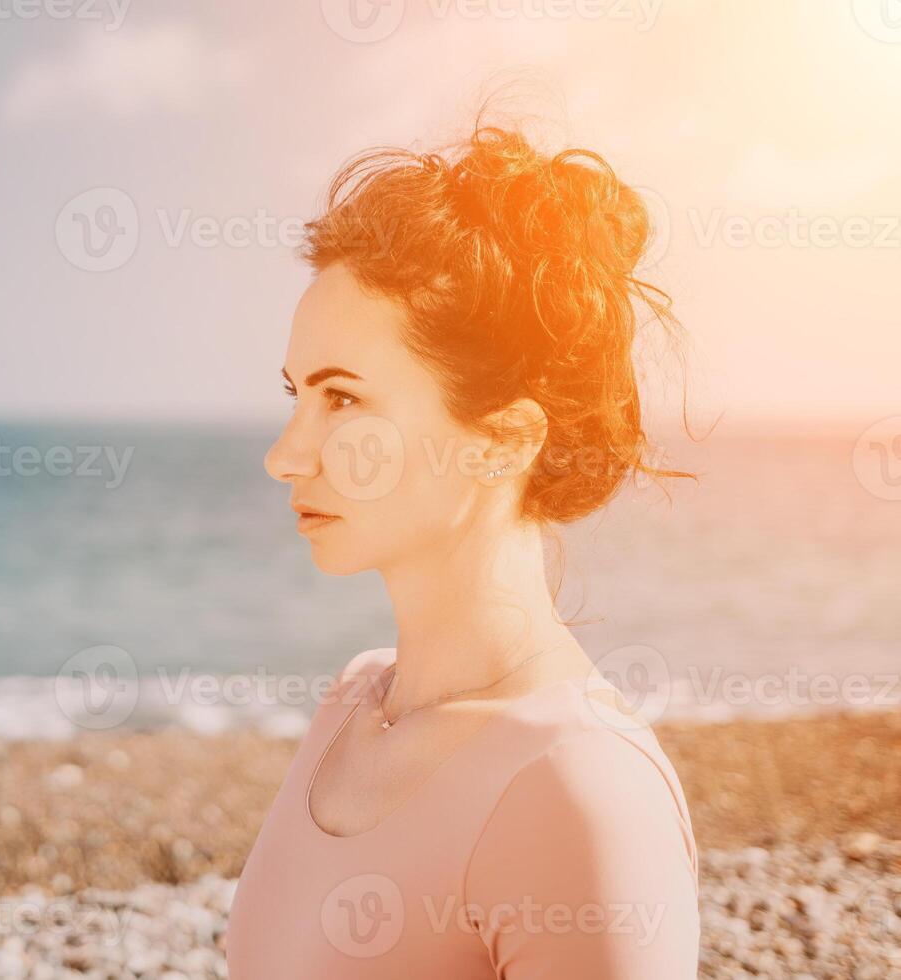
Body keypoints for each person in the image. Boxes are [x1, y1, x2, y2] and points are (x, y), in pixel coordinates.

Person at [225, 110, 701, 978]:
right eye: (296, 394)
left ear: (505, 439)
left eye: (343, 400)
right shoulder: (352, 703)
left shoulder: (579, 788)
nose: (284, 455)